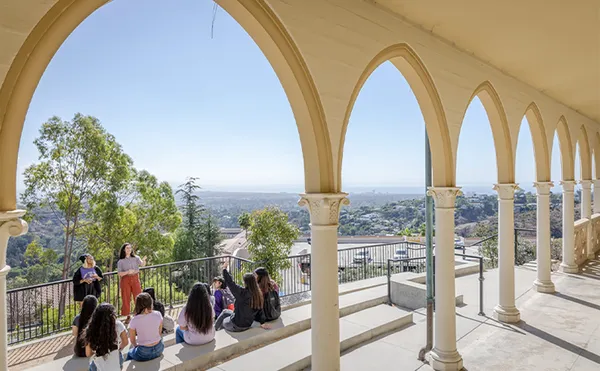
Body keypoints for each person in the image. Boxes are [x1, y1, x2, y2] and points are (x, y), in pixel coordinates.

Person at [214, 261, 269, 332]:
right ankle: (216, 329)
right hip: (248, 324)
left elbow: (230, 283)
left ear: (245, 282)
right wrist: (262, 322)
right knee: (225, 312)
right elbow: (260, 310)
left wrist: (224, 269)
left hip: (236, 325)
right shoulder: (258, 294)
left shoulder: (242, 293)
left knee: (223, 320)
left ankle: (215, 330)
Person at [84, 303, 128, 371]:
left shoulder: (91, 329)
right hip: (116, 361)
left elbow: (88, 353)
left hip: (99, 364)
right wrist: (118, 350)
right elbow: (125, 342)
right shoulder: (118, 325)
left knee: (92, 366)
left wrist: (97, 351)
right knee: (119, 357)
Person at [126, 293, 164, 362]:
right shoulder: (158, 314)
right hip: (159, 348)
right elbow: (159, 332)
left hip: (144, 352)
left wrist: (136, 346)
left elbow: (132, 340)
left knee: (129, 353)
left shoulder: (134, 320)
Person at [117, 243, 146, 323]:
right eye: (127, 248)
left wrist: (144, 260)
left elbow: (142, 265)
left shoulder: (136, 258)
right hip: (125, 280)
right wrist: (127, 272)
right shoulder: (121, 261)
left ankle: (138, 314)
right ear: (124, 250)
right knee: (126, 298)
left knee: (138, 296)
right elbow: (119, 273)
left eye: (130, 248)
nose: (129, 249)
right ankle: (127, 316)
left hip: (135, 278)